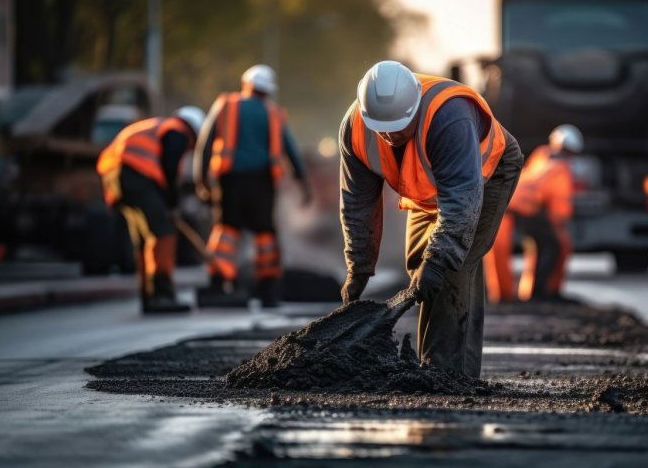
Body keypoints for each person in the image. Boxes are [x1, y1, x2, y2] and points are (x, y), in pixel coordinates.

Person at [338, 60, 523, 378]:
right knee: (419, 267)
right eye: (382, 127)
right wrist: (359, 268)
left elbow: (460, 203)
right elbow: (358, 205)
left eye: (399, 125)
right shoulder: (355, 129)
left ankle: (449, 374)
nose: (390, 134)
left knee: (452, 268)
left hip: (488, 173)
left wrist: (438, 261)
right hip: (432, 191)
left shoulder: (449, 118)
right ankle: (431, 364)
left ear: (415, 108)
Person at [193, 64, 312, 308]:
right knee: (264, 234)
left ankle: (219, 283)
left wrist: (201, 180)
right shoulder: (274, 114)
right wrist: (304, 185)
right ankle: (268, 291)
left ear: (246, 84)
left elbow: (205, 143)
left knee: (227, 229)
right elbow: (291, 151)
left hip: (230, 181)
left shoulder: (226, 106)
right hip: (262, 182)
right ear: (268, 91)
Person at [97, 106, 206, 313]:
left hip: (115, 178)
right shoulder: (177, 131)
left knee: (144, 239)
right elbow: (169, 169)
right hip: (136, 176)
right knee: (164, 233)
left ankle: (149, 297)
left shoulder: (158, 126)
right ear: (193, 130)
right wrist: (172, 205)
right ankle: (162, 295)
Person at [485, 124, 581, 303]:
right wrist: (558, 226)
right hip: (521, 209)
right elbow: (559, 211)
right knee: (553, 246)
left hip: (505, 203)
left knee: (495, 249)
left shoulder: (541, 154)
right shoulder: (562, 169)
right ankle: (541, 293)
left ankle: (503, 296)